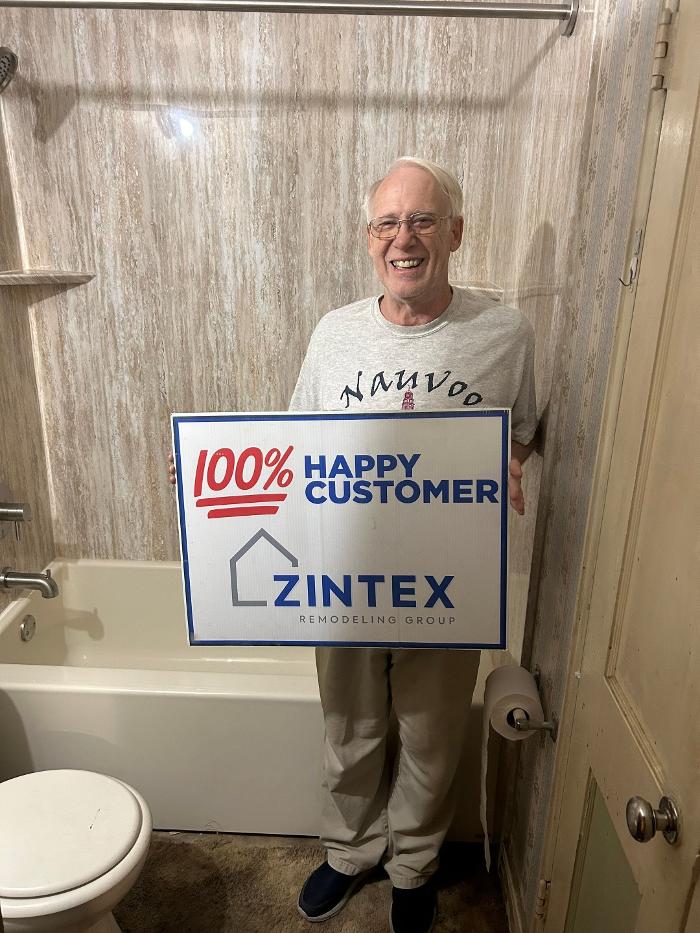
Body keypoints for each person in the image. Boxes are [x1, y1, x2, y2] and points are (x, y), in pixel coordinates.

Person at [290, 157, 537, 933]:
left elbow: (521, 434)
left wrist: (508, 462)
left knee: (431, 733)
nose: (404, 238)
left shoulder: (505, 333)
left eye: (423, 220)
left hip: (447, 580)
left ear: (454, 233)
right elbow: (293, 446)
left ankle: (413, 866)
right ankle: (348, 852)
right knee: (349, 727)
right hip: (347, 578)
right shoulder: (334, 333)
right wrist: (208, 475)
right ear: (370, 239)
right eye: (388, 223)